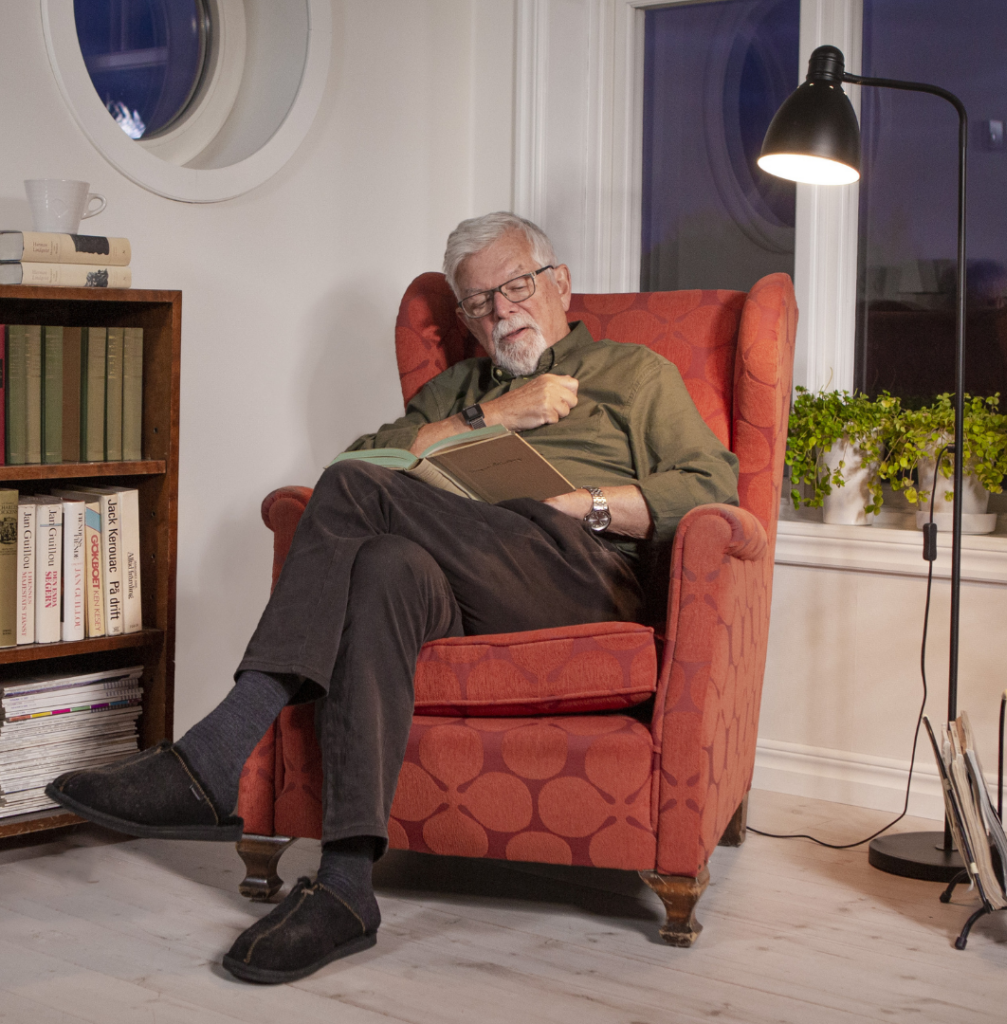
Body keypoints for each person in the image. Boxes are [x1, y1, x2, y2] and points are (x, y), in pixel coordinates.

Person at [46, 212, 739, 984]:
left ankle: (214, 754)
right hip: (464, 574)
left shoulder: (633, 373)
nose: (502, 311)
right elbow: (361, 464)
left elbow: (709, 488)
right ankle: (346, 889)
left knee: (360, 505)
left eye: (515, 287)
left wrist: (589, 505)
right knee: (379, 565)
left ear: (558, 284)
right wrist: (489, 416)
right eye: (478, 303)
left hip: (579, 572)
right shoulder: (455, 390)